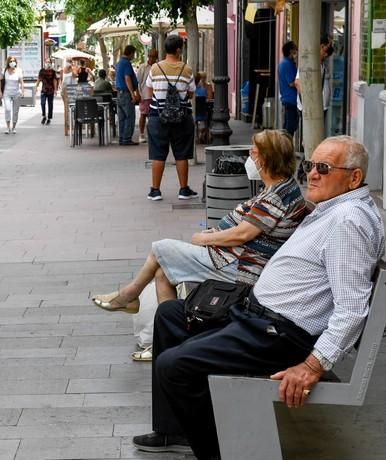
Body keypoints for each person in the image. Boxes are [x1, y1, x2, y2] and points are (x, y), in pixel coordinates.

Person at [132, 136, 384, 459]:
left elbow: (351, 309)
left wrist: (311, 366)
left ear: (354, 178)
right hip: (256, 318)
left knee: (174, 366)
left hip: (278, 335)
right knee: (169, 316)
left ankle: (217, 451)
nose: (312, 174)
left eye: (323, 168)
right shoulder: (335, 208)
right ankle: (175, 430)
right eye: (310, 166)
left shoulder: (349, 221)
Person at [92, 129, 307, 315]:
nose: (249, 158)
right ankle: (167, 332)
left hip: (241, 266)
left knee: (161, 249)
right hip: (236, 257)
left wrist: (205, 238)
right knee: (162, 272)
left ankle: (128, 296)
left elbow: (242, 234)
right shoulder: (283, 187)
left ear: (265, 159)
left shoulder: (276, 196)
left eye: (253, 152)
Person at [145, 35, 197, 201]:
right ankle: (183, 189)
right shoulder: (187, 69)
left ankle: (155, 190)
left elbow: (149, 90)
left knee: (157, 153)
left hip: (157, 116)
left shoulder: (155, 68)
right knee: (181, 154)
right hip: (182, 117)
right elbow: (191, 93)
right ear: (178, 50)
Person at [295, 34, 333, 120]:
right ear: (322, 46)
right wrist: (309, 102)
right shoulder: (309, 63)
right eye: (327, 47)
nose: (327, 54)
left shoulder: (321, 64)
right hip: (311, 109)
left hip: (320, 107)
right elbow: (297, 82)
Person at [115, 45, 140, 146]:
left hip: (119, 93)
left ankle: (122, 137)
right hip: (125, 93)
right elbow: (127, 78)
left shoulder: (119, 63)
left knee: (122, 117)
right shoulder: (126, 63)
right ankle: (126, 139)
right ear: (131, 53)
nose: (134, 56)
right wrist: (132, 94)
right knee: (130, 116)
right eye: (134, 54)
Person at [137, 48, 158, 144]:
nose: (152, 58)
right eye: (150, 56)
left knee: (154, 116)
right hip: (145, 95)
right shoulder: (142, 67)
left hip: (156, 95)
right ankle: (141, 134)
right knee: (143, 115)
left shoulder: (158, 67)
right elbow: (138, 82)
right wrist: (139, 94)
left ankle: (153, 134)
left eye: (154, 57)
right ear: (148, 56)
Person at [278, 41, 299, 136]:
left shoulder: (284, 63)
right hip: (291, 99)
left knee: (288, 125)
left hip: (287, 98)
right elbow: (291, 83)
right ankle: (285, 146)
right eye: (295, 49)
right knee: (290, 126)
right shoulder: (287, 64)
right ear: (290, 51)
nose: (297, 51)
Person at [0, 56, 24, 134]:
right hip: (7, 93)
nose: (12, 62)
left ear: (16, 62)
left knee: (15, 111)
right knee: (8, 109)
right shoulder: (5, 70)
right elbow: (0, 81)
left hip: (16, 93)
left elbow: (21, 82)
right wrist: (0, 91)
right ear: (8, 62)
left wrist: (22, 91)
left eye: (13, 61)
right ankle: (7, 127)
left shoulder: (19, 70)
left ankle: (13, 127)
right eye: (11, 61)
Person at [36, 59, 58, 125]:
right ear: (44, 62)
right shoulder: (42, 71)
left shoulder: (53, 71)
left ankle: (49, 118)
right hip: (44, 89)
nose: (48, 63)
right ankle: (44, 116)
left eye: (49, 62)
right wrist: (36, 86)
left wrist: (56, 90)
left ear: (51, 63)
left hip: (51, 90)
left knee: (50, 104)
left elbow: (54, 80)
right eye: (47, 62)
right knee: (42, 103)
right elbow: (39, 79)